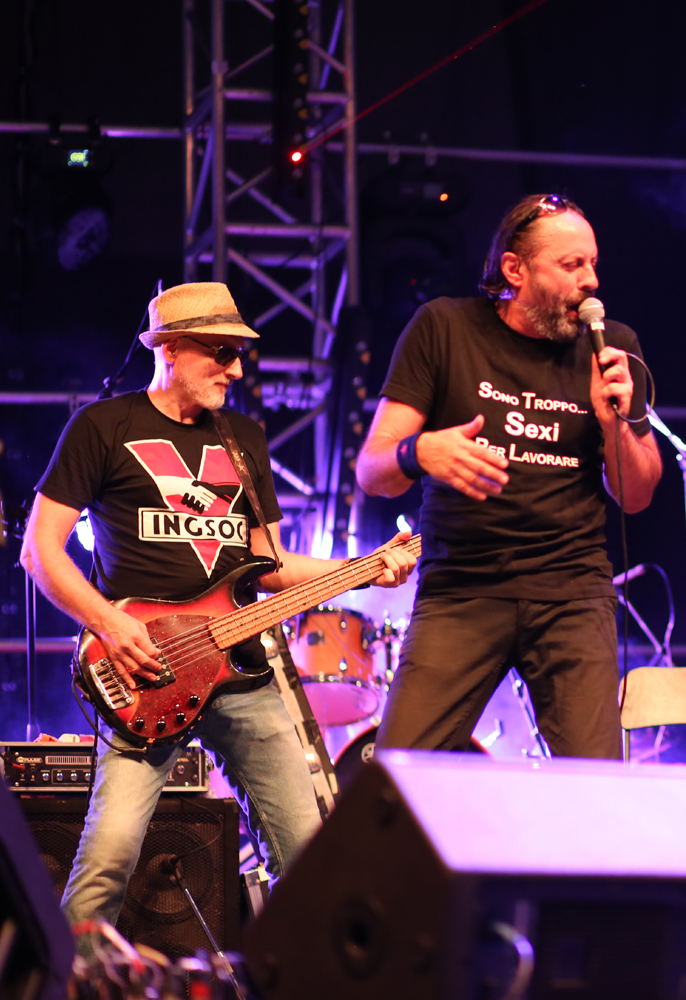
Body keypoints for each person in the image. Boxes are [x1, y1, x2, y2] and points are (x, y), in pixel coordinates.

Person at [19, 281, 416, 938]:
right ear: (170, 349)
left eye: (239, 354)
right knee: (109, 856)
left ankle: (297, 979)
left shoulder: (243, 439)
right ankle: (70, 978)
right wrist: (111, 624)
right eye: (221, 353)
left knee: (307, 852)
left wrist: (369, 567)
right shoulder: (103, 427)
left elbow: (271, 566)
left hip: (243, 675)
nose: (236, 369)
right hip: (147, 673)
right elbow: (39, 552)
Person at [357, 193, 661, 758]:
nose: (591, 281)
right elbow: (373, 472)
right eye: (571, 265)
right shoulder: (445, 327)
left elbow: (637, 495)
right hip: (463, 589)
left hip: (572, 593)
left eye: (593, 263)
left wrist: (613, 423)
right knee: (397, 776)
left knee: (596, 787)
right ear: (515, 270)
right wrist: (420, 451)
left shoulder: (614, 348)